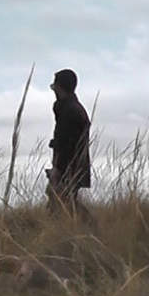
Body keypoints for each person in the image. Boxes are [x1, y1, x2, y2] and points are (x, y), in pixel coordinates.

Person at [47, 68, 91, 218]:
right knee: (61, 201)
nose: (53, 90)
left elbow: (66, 144)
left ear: (60, 88)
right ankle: (88, 228)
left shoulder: (70, 111)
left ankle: (91, 228)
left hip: (69, 168)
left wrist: (58, 169)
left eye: (55, 87)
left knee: (61, 201)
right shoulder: (70, 108)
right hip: (73, 167)